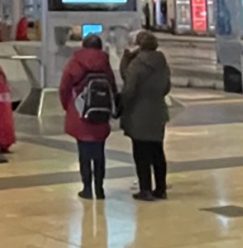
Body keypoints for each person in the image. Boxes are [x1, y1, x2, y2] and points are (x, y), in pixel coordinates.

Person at [58, 28, 117, 200]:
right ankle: (100, 189)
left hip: (80, 112)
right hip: (101, 114)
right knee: (99, 153)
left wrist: (67, 106)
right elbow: (112, 87)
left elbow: (64, 88)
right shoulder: (105, 62)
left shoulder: (75, 62)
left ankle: (86, 189)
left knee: (84, 153)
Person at [118, 30, 173, 201]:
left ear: (139, 45)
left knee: (141, 153)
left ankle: (145, 189)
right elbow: (166, 87)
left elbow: (128, 88)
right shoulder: (162, 62)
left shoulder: (137, 64)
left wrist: (126, 59)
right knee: (157, 151)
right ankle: (161, 189)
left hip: (139, 113)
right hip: (158, 112)